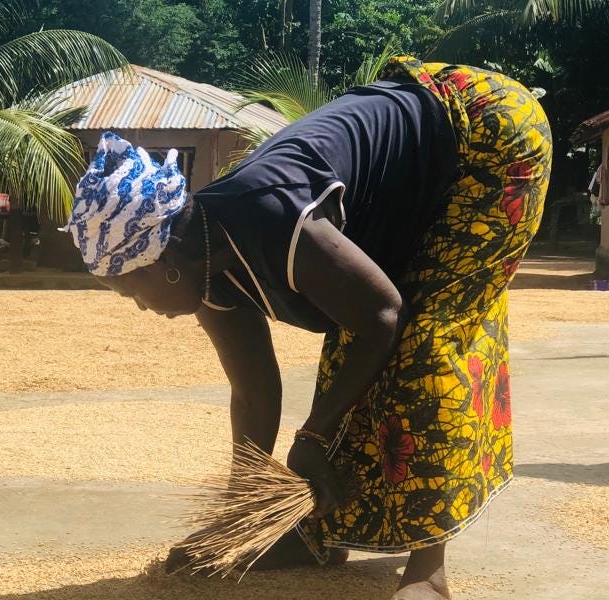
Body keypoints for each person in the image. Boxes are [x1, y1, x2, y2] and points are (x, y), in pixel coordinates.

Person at [65, 56, 551, 600]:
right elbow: (253, 392)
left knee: (422, 342)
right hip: (425, 152)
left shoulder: (269, 216)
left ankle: (428, 567)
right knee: (350, 355)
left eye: (129, 288)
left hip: (486, 130)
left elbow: (383, 316)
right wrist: (243, 519)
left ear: (159, 262)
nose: (137, 305)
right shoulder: (204, 268)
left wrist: (314, 436)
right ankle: (312, 535)